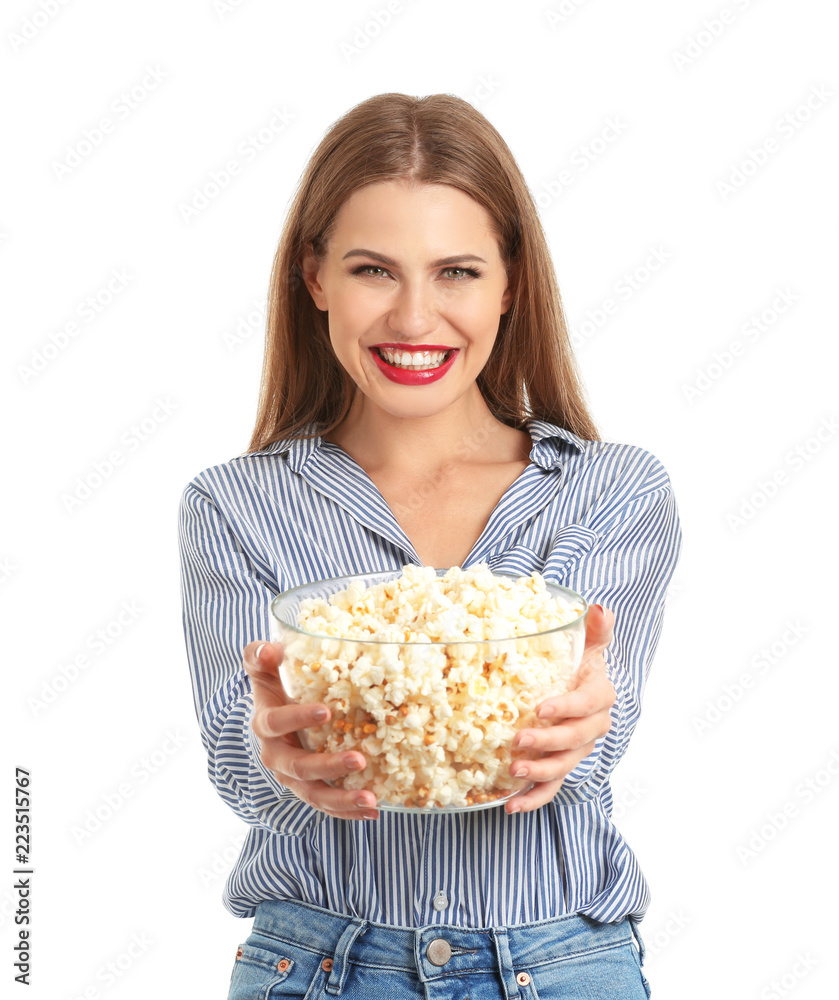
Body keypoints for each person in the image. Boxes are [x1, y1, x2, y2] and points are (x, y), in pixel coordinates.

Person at [178, 92, 681, 999]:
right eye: (375, 271)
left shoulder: (612, 492)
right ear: (315, 278)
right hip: (319, 963)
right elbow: (239, 767)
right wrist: (271, 747)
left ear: (510, 283)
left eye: (455, 272)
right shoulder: (235, 505)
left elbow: (590, 749)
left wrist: (578, 730)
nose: (415, 319)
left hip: (560, 965)